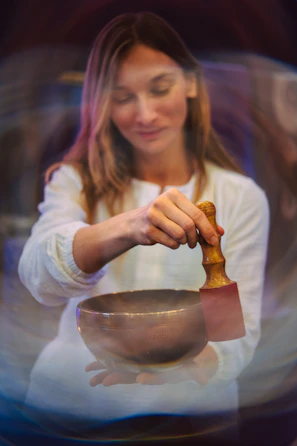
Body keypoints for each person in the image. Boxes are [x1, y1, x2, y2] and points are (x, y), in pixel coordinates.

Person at [18, 11, 269, 440]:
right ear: (101, 103)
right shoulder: (76, 181)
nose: (146, 114)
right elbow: (39, 278)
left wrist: (190, 366)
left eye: (160, 88)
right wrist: (130, 226)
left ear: (190, 82)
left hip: (193, 419)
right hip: (71, 410)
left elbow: (233, 335)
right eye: (122, 97)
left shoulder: (239, 196)